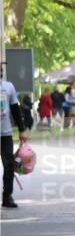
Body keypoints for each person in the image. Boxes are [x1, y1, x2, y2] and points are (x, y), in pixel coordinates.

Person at [1, 73, 29, 208]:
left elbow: (15, 109)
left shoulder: (8, 87)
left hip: (5, 134)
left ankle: (7, 196)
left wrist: (22, 129)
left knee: (9, 165)